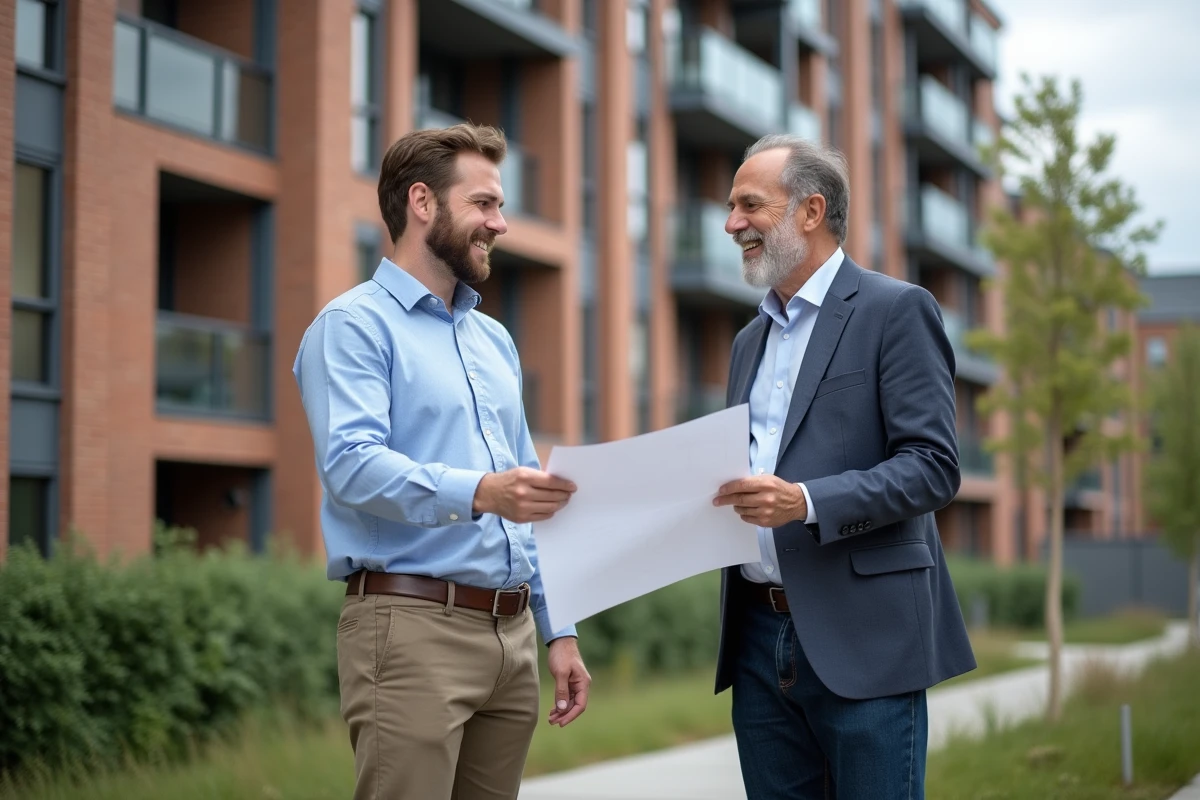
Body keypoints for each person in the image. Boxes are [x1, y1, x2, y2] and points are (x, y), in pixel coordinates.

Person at [293, 123, 590, 800]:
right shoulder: (352, 326)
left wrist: (558, 631)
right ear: (422, 202)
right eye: (484, 204)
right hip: (410, 631)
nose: (501, 223)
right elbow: (352, 466)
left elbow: (528, 503)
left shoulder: (494, 340)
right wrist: (484, 490)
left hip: (511, 642)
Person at [711, 133, 976, 799]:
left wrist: (805, 500)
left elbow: (933, 467)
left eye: (749, 205)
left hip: (867, 637)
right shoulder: (748, 342)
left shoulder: (896, 310)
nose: (731, 223)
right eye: (730, 206)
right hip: (757, 640)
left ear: (810, 211)